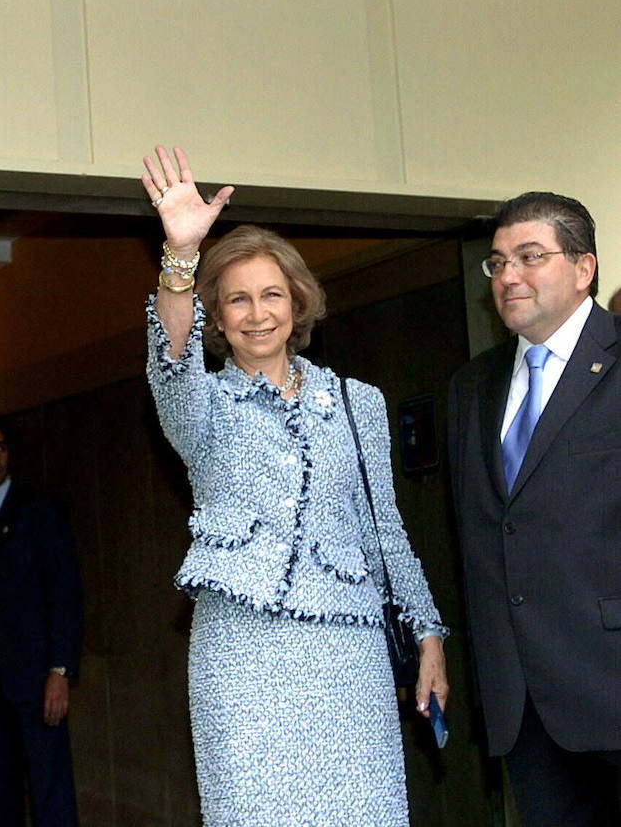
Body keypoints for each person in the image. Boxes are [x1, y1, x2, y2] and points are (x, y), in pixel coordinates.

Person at [140, 146, 448, 825]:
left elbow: (384, 530)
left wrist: (428, 635)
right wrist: (181, 255)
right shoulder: (200, 407)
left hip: (349, 652)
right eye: (237, 299)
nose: (257, 313)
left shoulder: (358, 402)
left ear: (298, 302)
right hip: (241, 651)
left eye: (271, 294)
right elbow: (169, 354)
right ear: (216, 318)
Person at [446, 192, 621, 826]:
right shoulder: (471, 387)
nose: (509, 275)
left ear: (584, 268)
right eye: (497, 262)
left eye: (529, 256)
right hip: (522, 706)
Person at [0, 413, 82, 827]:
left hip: (35, 675)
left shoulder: (37, 511)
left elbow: (65, 594)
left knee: (50, 788)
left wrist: (60, 670)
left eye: (1, 448)